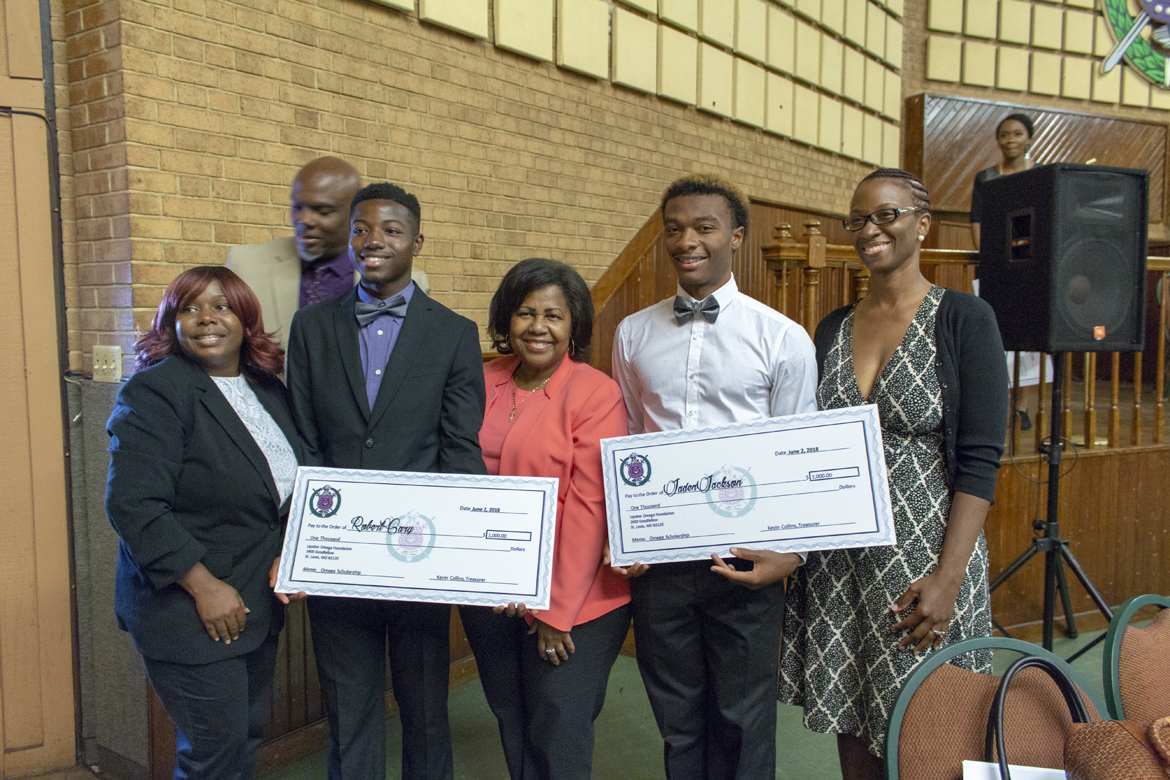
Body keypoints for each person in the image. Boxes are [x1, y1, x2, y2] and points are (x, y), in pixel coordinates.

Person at [778, 169, 1009, 780]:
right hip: (840, 564)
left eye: (887, 215)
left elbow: (982, 459)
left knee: (934, 733)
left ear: (921, 223)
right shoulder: (831, 327)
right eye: (858, 220)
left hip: (924, 559)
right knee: (854, 725)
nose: (870, 230)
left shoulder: (963, 318)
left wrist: (948, 576)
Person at [610, 173, 818, 779]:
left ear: (736, 237)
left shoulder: (783, 337)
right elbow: (627, 441)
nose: (687, 241)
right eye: (674, 229)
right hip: (662, 563)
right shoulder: (633, 333)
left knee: (744, 721)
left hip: (745, 558)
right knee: (678, 721)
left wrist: (794, 552)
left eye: (704, 226)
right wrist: (626, 534)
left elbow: (796, 454)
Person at [285, 181, 486, 780]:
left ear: (417, 242)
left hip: (418, 558)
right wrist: (306, 545)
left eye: (392, 230)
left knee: (426, 708)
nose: (374, 241)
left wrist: (464, 548)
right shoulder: (311, 328)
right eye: (361, 230)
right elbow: (303, 442)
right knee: (349, 710)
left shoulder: (453, 334)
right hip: (338, 558)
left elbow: (458, 448)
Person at [105, 266, 305, 780]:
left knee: (242, 741)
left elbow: (290, 490)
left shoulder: (266, 389)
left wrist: (294, 551)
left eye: (221, 306)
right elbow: (134, 505)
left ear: (246, 318)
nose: (205, 319)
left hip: (256, 602)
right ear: (170, 323)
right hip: (188, 609)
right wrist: (203, 586)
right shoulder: (155, 393)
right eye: (188, 308)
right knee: (214, 755)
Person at [459, 258, 631, 780]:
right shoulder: (478, 380)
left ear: (574, 325)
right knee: (511, 713)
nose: (538, 327)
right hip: (489, 589)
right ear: (506, 321)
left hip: (577, 599)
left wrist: (554, 611)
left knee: (559, 721)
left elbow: (589, 505)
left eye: (553, 316)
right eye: (525, 313)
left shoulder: (596, 392)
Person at [226, 157, 432, 346]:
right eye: (298, 206)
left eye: (322, 211)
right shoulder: (243, 267)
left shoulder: (410, 287)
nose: (304, 220)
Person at [969, 112, 1035, 250]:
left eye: (1018, 134)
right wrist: (983, 254)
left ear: (1029, 139)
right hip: (995, 249)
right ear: (998, 141)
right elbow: (976, 220)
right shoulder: (985, 177)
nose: (1011, 140)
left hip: (1033, 250)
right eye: (1004, 135)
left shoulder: (1041, 174)